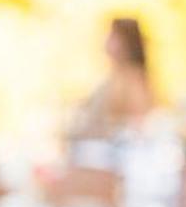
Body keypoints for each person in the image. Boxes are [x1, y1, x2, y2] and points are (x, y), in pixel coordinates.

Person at [67, 17, 159, 146]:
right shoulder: (111, 79)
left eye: (113, 35)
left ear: (126, 42)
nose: (106, 40)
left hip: (116, 155)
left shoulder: (133, 79)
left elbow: (137, 126)